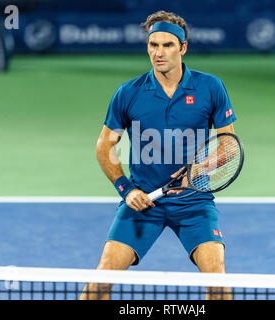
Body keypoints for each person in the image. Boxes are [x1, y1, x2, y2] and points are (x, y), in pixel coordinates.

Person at [80, 10, 237, 300]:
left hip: (194, 203)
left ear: (183, 47)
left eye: (168, 45)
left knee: (218, 285)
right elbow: (104, 146)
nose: (159, 53)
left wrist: (200, 170)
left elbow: (229, 145)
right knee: (99, 282)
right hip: (144, 202)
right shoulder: (128, 92)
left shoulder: (210, 87)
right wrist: (126, 189)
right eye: (153, 45)